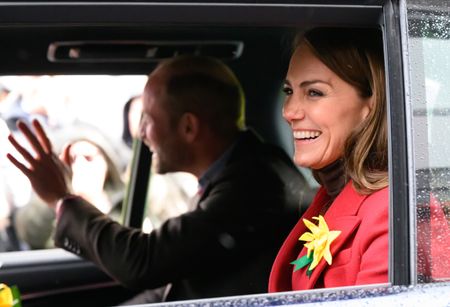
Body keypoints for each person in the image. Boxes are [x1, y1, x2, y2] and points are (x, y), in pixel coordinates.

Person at [7, 55, 312, 302]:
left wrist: (62, 199)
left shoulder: (253, 185)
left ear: (189, 128)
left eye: (149, 120)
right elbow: (180, 273)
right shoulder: (246, 168)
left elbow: (144, 261)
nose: (141, 134)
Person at [268, 27, 389, 292]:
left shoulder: (390, 213)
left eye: (314, 93)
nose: (288, 111)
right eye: (289, 91)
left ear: (371, 105)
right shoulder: (331, 197)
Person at [13, 123, 125, 249]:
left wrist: (95, 203)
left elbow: (126, 247)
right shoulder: (51, 197)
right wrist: (60, 200)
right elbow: (30, 233)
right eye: (72, 159)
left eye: (88, 158)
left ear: (107, 164)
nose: (80, 165)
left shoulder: (127, 199)